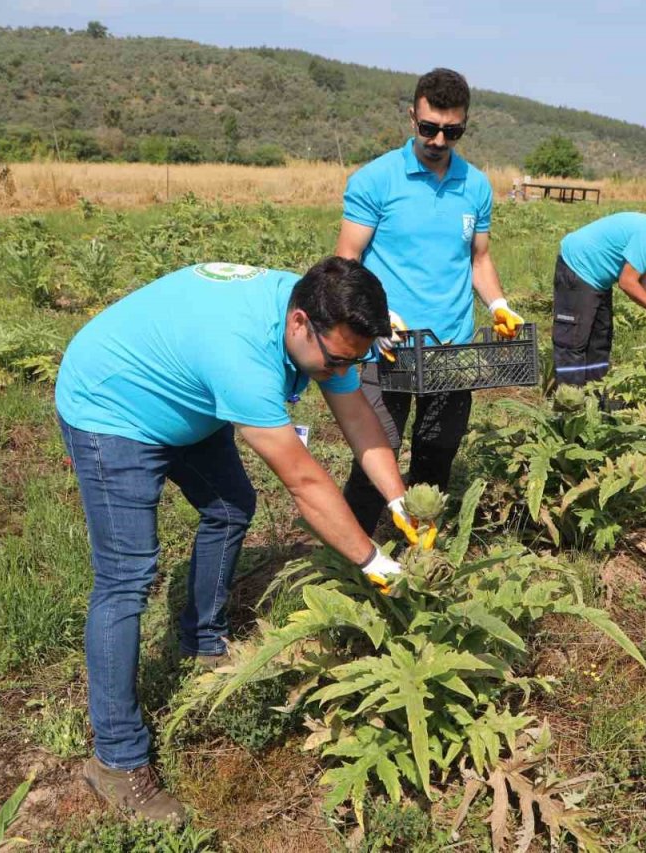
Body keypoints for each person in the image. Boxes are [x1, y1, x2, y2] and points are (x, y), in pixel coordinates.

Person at [54, 257, 429, 823]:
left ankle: (203, 641)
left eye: (355, 359)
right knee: (126, 579)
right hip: (113, 404)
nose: (341, 371)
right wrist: (373, 560)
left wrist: (400, 499)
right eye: (336, 361)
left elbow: (356, 418)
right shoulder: (242, 357)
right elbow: (303, 482)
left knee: (231, 506)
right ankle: (116, 760)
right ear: (300, 323)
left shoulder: (327, 320)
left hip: (185, 393)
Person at [336, 67, 525, 535]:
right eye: (429, 128)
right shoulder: (376, 180)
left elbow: (479, 259)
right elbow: (347, 258)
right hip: (390, 343)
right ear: (412, 117)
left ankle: (420, 545)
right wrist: (376, 318)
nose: (439, 140)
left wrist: (499, 303)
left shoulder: (476, 185)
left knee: (438, 450)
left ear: (463, 125)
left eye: (451, 131)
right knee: (378, 448)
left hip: (452, 346)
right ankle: (350, 551)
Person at [552, 212, 646, 386]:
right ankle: (570, 402)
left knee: (600, 340)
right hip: (578, 267)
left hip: (599, 281)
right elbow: (627, 282)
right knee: (573, 340)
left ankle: (595, 396)